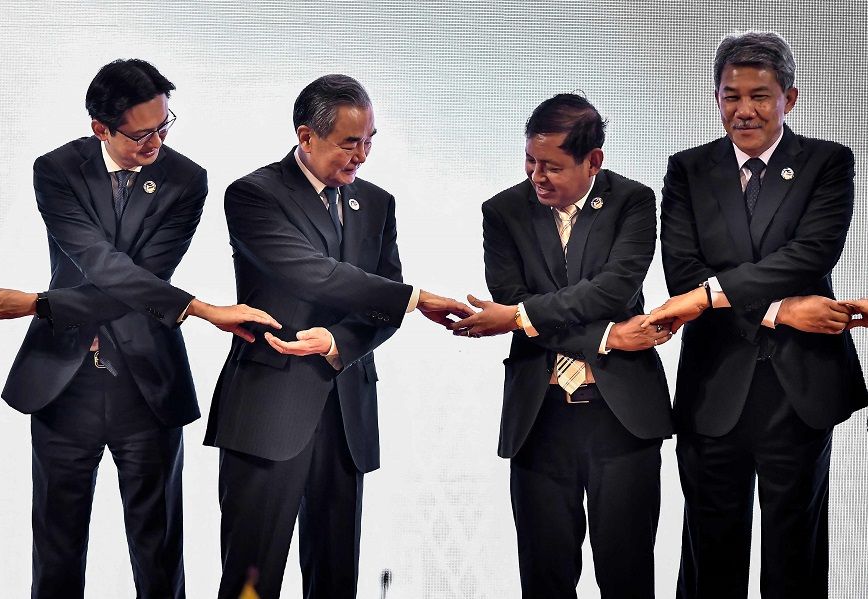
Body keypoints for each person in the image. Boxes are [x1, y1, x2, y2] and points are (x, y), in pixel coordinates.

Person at [0, 59, 274, 599]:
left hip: (147, 386)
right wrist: (201, 308)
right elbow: (96, 262)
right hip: (63, 384)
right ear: (100, 129)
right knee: (56, 555)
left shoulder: (186, 179)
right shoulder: (56, 169)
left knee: (158, 556)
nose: (156, 141)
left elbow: (138, 279)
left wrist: (36, 303)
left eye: (164, 125)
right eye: (141, 133)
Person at [205, 74, 472, 599]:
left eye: (371, 139)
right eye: (350, 143)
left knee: (335, 575)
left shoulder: (376, 203)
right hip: (268, 410)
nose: (363, 155)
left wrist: (337, 343)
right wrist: (415, 298)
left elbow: (381, 304)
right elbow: (312, 272)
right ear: (306, 137)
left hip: (346, 408)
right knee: (251, 578)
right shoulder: (254, 195)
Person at [644, 31, 868, 598]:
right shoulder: (687, 170)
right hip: (714, 386)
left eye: (760, 96)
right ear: (716, 98)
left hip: (800, 391)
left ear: (788, 99)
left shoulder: (827, 163)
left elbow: (810, 254)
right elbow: (683, 276)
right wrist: (780, 310)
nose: (744, 110)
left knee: (797, 554)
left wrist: (710, 296)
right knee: (709, 553)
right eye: (731, 96)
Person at [451, 93, 673, 598]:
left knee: (628, 572)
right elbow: (512, 297)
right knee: (545, 576)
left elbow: (612, 290)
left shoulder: (633, 202)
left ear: (594, 160)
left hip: (621, 418)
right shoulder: (503, 211)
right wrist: (607, 335)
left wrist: (522, 318)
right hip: (541, 418)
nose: (537, 176)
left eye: (552, 166)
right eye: (530, 161)